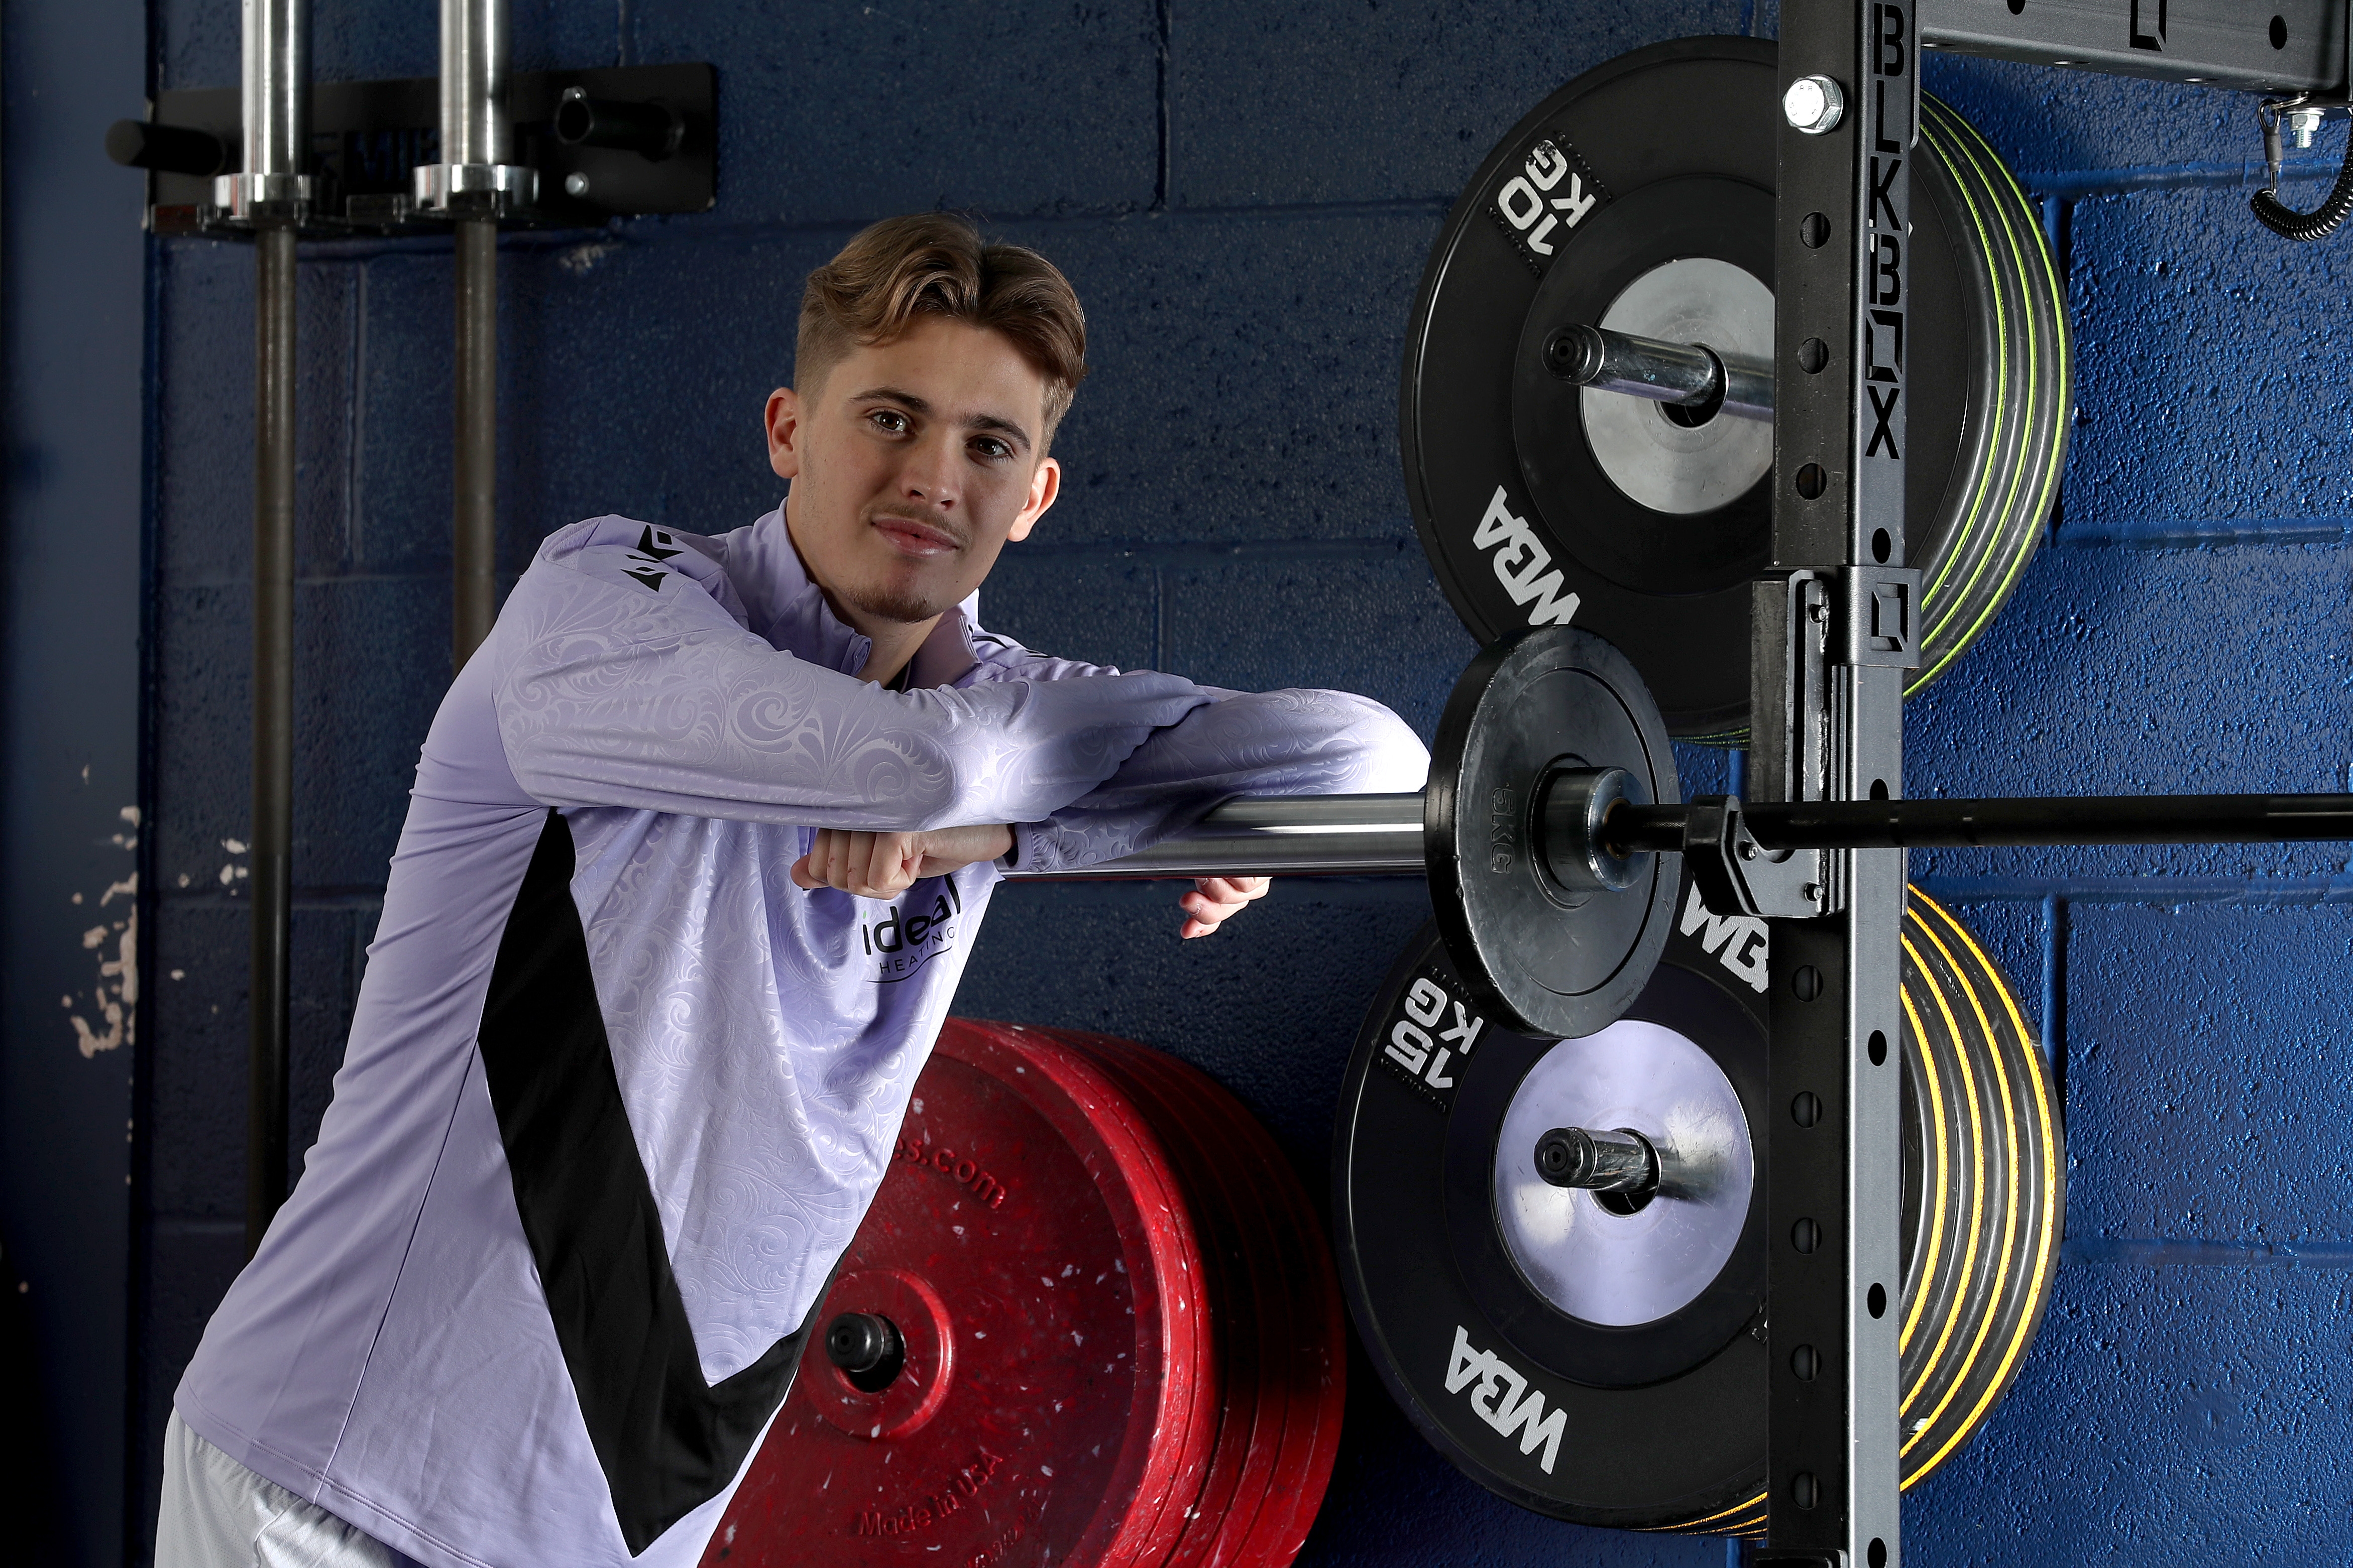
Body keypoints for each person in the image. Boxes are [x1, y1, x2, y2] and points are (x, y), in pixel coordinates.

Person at [157, 213, 1427, 1567]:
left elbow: (1382, 766)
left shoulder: (995, 726)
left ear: (1036, 496)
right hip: (340, 1488)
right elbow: (907, 762)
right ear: (788, 430)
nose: (933, 477)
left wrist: (993, 842)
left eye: (988, 445)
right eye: (890, 415)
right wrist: (1049, 813)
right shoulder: (607, 606)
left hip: (609, 1535)